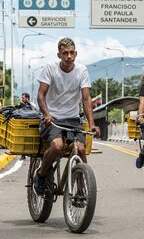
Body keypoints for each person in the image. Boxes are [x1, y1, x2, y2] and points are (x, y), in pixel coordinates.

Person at [34, 37, 100, 195]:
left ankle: (81, 188)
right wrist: (46, 114)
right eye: (65, 53)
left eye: (71, 53)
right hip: (53, 119)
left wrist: (92, 124)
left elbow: (86, 98)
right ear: (59, 55)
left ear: (76, 54)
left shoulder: (81, 71)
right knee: (57, 147)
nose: (68, 56)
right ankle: (41, 174)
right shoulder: (50, 69)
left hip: (73, 120)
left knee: (81, 150)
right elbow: (41, 95)